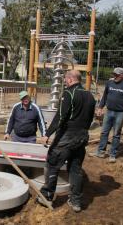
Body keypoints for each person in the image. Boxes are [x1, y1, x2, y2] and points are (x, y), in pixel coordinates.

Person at [38, 70, 96, 212]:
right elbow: (90, 118)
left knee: (52, 163)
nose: (64, 81)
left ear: (70, 79)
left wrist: (47, 134)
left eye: (65, 79)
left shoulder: (68, 93)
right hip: (82, 136)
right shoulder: (90, 96)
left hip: (67, 136)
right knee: (75, 169)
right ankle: (76, 202)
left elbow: (60, 117)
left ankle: (47, 195)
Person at [90, 67, 123, 163]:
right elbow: (104, 96)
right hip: (109, 111)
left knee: (116, 134)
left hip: (120, 113)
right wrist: (100, 107)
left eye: (117, 75)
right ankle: (100, 152)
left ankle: (112, 154)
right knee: (104, 132)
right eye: (114, 74)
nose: (114, 76)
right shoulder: (110, 82)